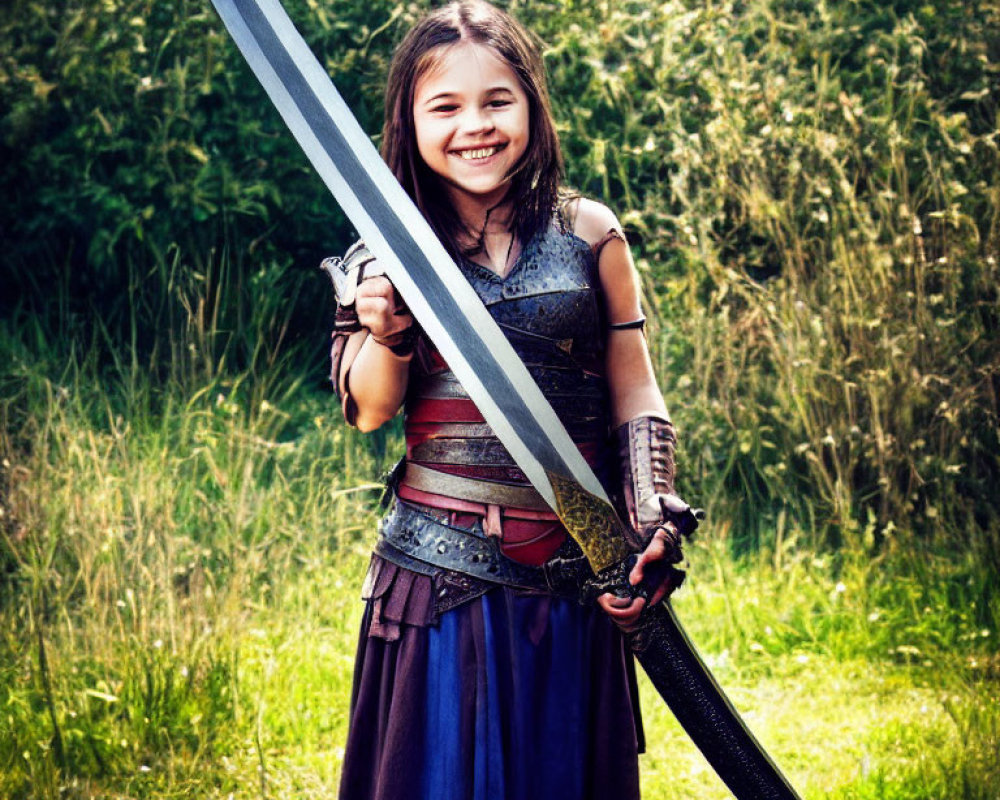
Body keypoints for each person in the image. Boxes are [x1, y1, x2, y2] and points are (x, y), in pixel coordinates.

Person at [326, 2, 694, 798]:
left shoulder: (588, 230)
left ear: (530, 102)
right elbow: (367, 409)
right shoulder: (384, 251)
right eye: (446, 107)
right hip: (439, 584)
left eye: (497, 100)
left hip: (574, 575)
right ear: (411, 120)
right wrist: (386, 332)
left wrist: (652, 514)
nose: (475, 126)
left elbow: (635, 389)